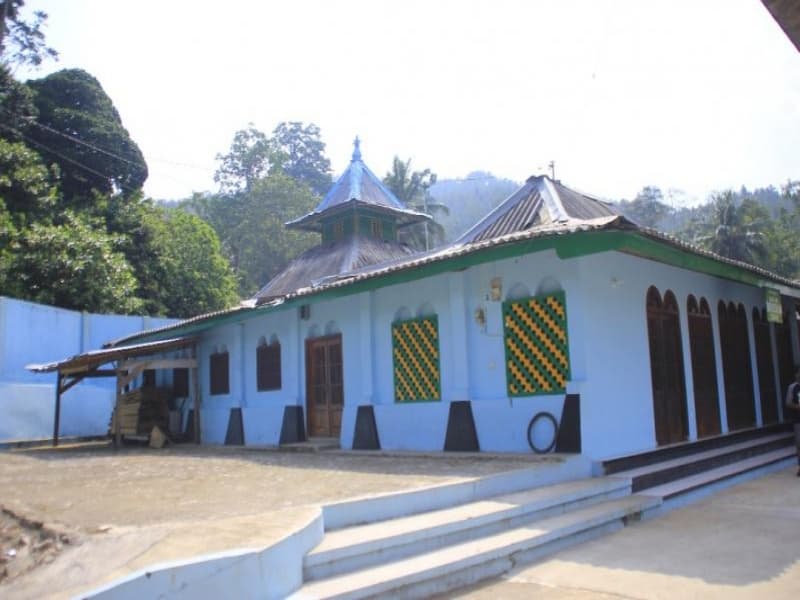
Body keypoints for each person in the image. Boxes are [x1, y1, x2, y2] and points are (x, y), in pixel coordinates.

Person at [786, 367, 800, 477]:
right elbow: (788, 402)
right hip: (797, 419)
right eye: (798, 373)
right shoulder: (793, 387)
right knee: (799, 444)